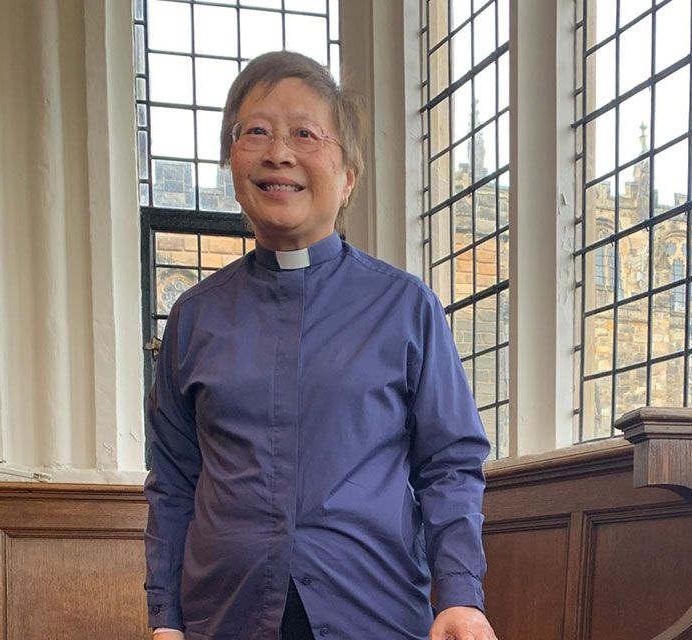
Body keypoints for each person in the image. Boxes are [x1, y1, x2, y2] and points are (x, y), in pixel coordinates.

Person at [144, 51, 497, 640]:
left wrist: (460, 594)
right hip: (225, 616)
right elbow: (175, 481)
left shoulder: (406, 308)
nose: (278, 152)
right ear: (233, 164)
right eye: (255, 131)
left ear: (348, 177)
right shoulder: (193, 318)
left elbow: (449, 465)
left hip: (374, 614)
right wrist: (165, 620)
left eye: (305, 133)